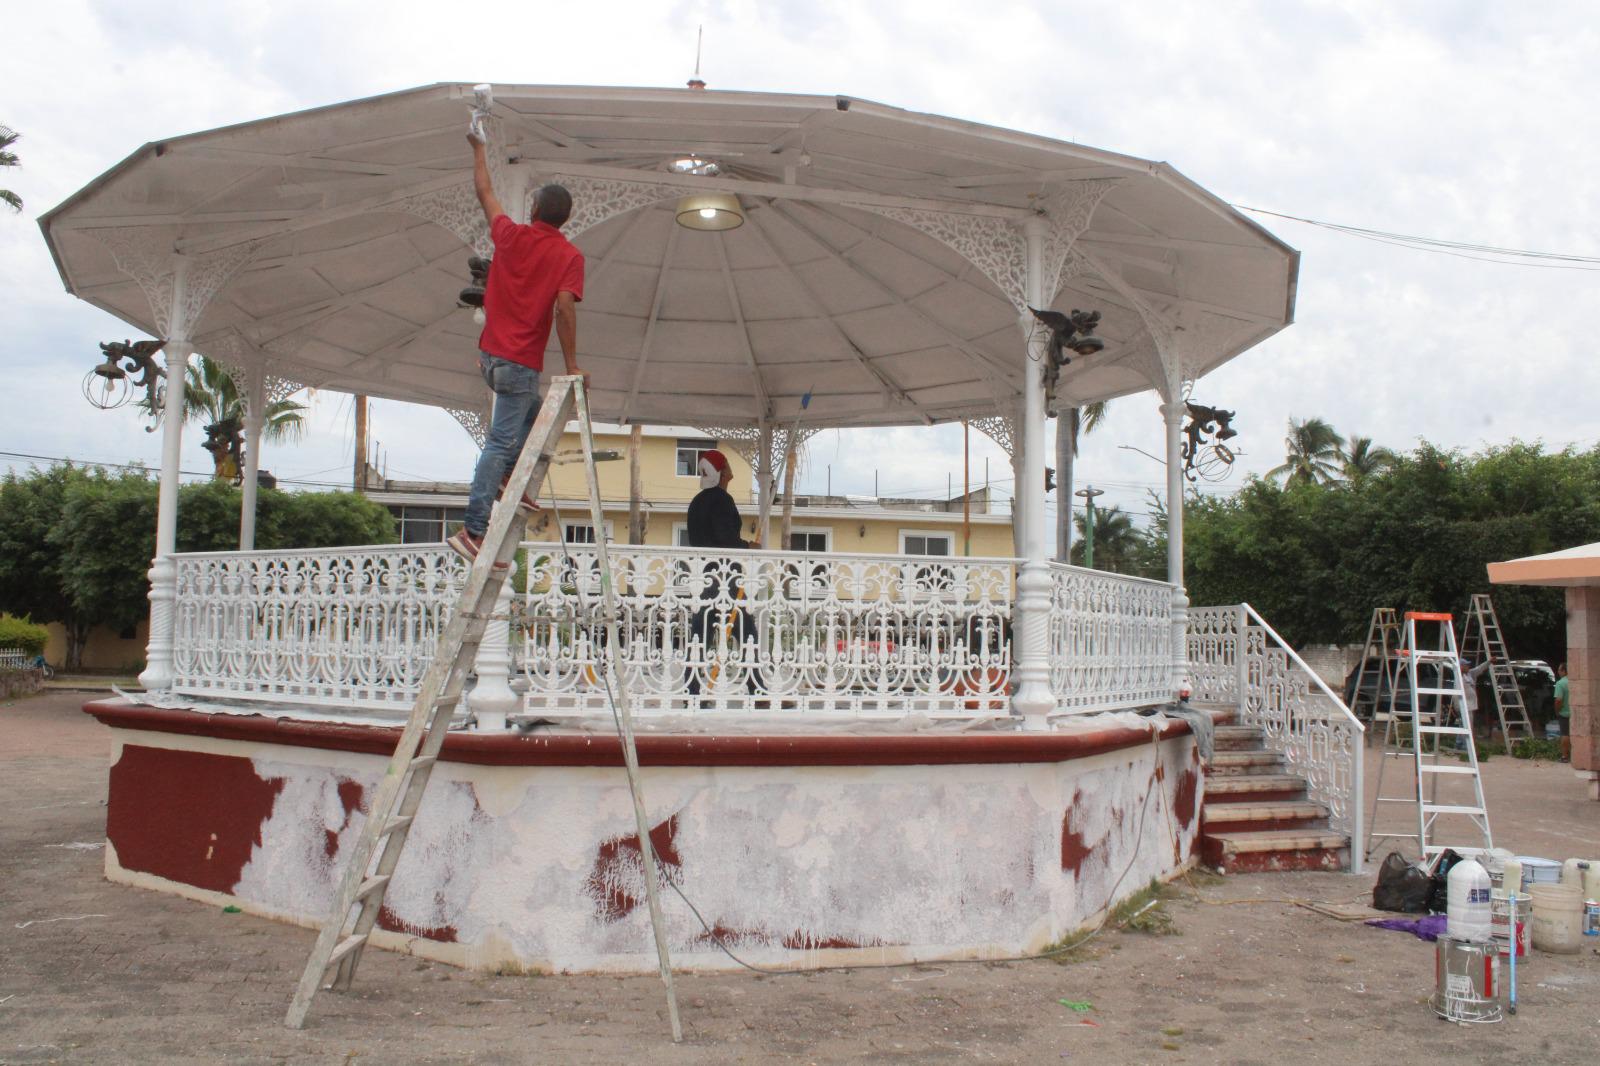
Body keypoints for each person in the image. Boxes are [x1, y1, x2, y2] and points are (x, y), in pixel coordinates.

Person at [447, 130, 587, 563]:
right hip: (518, 364)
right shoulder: (568, 257)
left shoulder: (509, 234)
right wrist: (572, 363)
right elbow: (564, 308)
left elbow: (484, 190)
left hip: (490, 357)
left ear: (533, 209)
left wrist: (479, 149)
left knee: (532, 413)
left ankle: (510, 479)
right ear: (564, 219)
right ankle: (472, 529)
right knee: (501, 440)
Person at [685, 450, 760, 696]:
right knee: (747, 636)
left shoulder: (697, 502)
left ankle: (692, 692)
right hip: (725, 577)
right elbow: (724, 538)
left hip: (703, 576)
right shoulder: (721, 500)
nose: (730, 466)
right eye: (726, 463)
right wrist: (748, 546)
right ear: (721, 471)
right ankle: (757, 691)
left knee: (700, 636)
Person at [1554, 662, 1571, 761]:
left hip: (1564, 713)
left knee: (1565, 734)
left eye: (1559, 670)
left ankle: (1564, 756)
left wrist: (1557, 710)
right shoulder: (1575, 681)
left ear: (1564, 671)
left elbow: (1558, 700)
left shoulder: (1560, 683)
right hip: (1576, 712)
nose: (1558, 672)